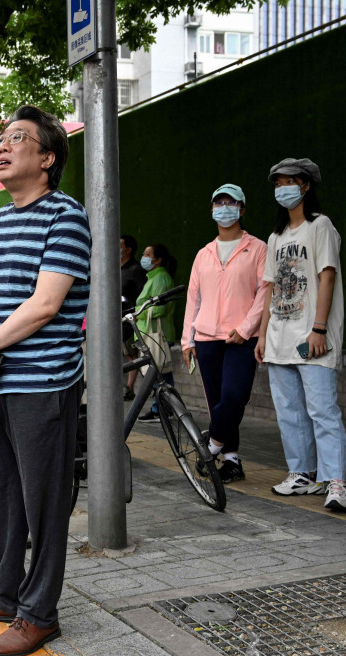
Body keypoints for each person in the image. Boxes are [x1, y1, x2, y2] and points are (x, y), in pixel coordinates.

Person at [0, 106, 90, 656]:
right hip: (0, 381)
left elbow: (48, 303)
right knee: (1, 495)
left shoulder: (66, 216)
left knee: (43, 501)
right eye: (1, 140)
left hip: (43, 381)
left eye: (18, 140)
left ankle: (40, 613)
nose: (2, 148)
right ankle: (5, 593)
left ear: (48, 158)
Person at [255, 158, 346, 512]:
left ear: (306, 185)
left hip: (312, 337)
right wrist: (262, 336)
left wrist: (319, 328)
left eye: (290, 182)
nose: (283, 189)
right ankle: (303, 474)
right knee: (290, 412)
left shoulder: (320, 226)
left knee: (323, 410)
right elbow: (270, 289)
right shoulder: (276, 236)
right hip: (279, 337)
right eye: (278, 183)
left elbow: (327, 276)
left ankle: (336, 481)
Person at [181, 184, 267, 483]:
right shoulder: (204, 253)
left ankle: (213, 446)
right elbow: (194, 298)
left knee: (233, 396)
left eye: (231, 203)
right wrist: (187, 339)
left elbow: (264, 293)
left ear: (242, 209)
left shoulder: (257, 248)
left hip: (242, 338)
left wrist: (245, 329)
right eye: (219, 203)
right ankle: (231, 460)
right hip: (206, 338)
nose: (224, 208)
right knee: (216, 400)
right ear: (212, 210)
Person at [134, 243, 178, 423]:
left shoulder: (160, 279)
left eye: (147, 254)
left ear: (158, 260)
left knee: (159, 373)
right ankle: (161, 408)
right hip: (149, 333)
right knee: (159, 373)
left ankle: (163, 409)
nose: (144, 258)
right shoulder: (154, 277)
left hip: (157, 334)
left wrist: (138, 312)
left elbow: (159, 308)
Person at [120, 234, 147, 399]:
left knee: (131, 351)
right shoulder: (115, 267)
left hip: (130, 317)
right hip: (114, 316)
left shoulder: (136, 269)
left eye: (120, 245)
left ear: (128, 250)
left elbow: (142, 293)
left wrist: (136, 313)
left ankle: (129, 387)